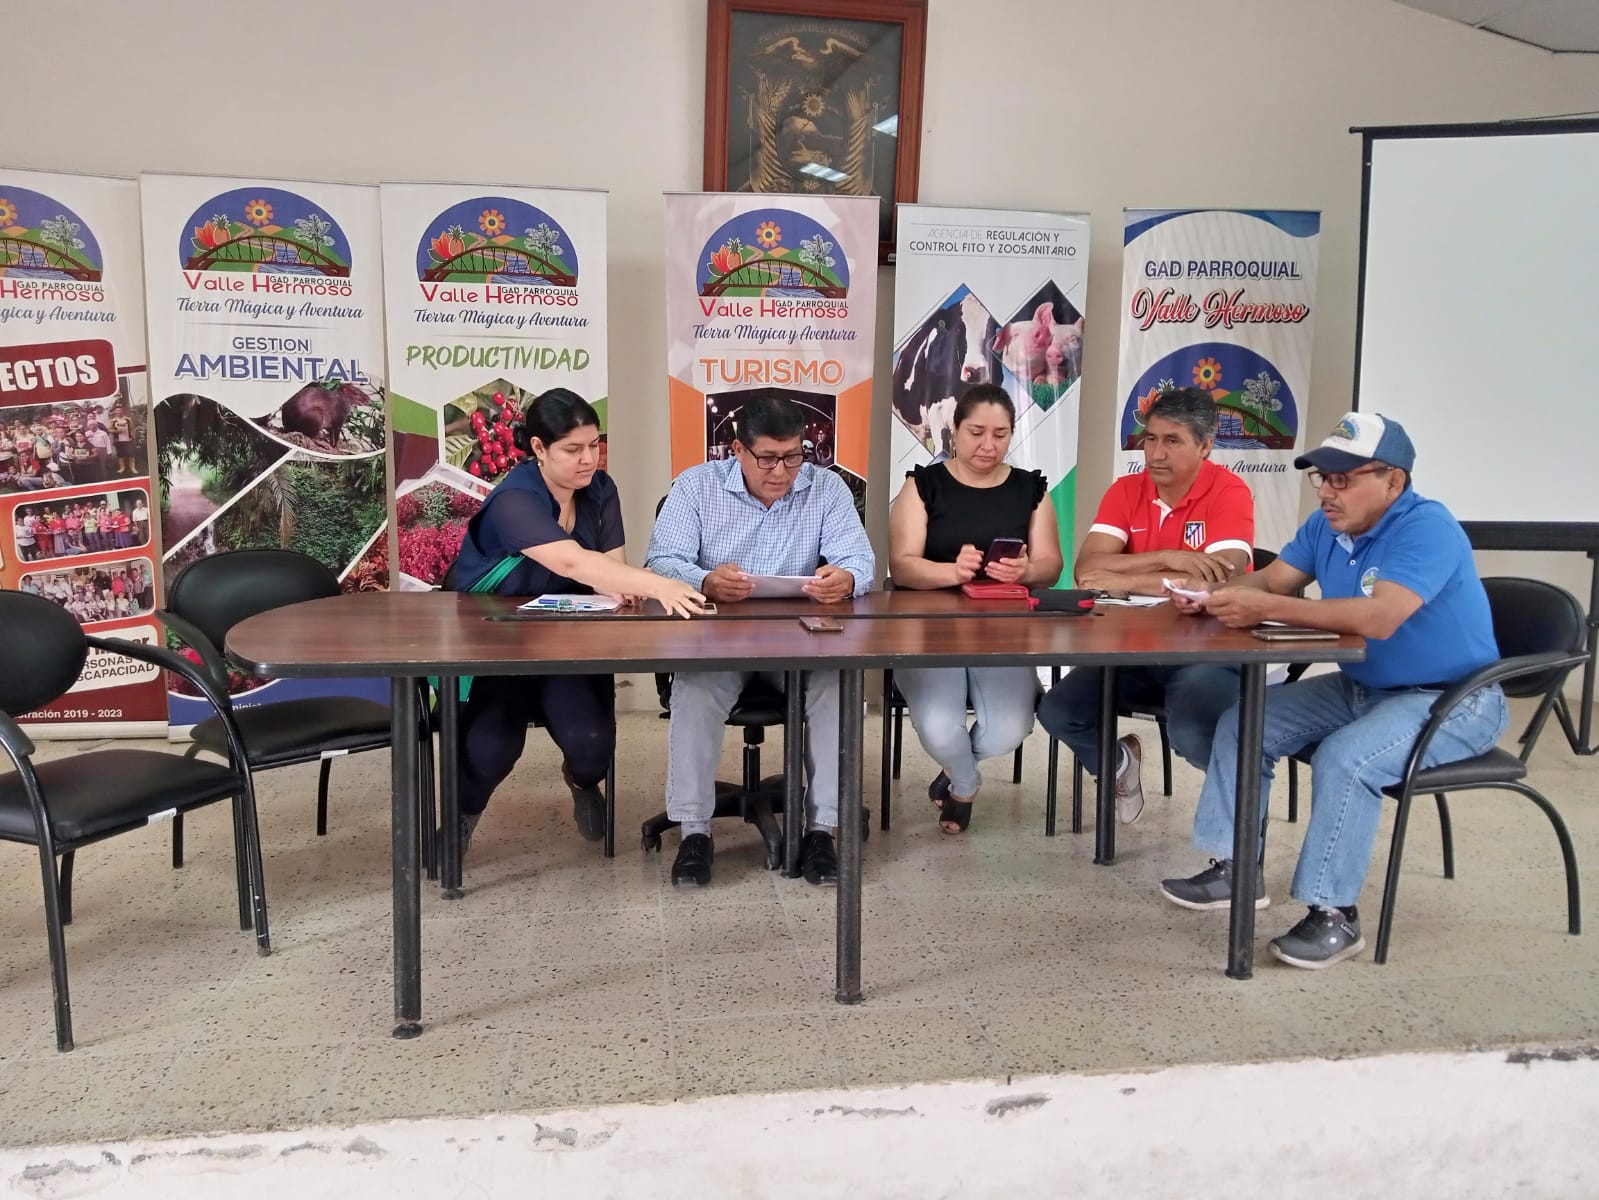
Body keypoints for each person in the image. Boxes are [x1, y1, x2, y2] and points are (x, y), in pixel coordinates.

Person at [1159, 412, 1507, 970]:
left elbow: (1381, 617)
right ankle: (1235, 868)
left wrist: (1267, 607)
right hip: (1363, 687)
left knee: (1346, 759)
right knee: (1245, 722)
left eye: (1343, 479)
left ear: (1393, 481)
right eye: (1322, 477)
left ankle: (1335, 915)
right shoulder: (1327, 525)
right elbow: (1271, 580)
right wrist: (1210, 596)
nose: (1326, 491)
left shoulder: (1426, 528)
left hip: (1455, 700)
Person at [447, 387, 705, 853]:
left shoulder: (600, 490)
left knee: (591, 746)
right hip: (496, 646)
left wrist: (626, 585)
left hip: (570, 643)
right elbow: (572, 562)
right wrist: (661, 585)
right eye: (573, 449)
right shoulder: (514, 500)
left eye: (594, 445)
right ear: (539, 448)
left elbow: (610, 571)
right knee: (489, 751)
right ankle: (463, 814)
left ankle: (582, 782)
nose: (589, 459)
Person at [645, 391, 876, 888]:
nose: (781, 471)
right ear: (738, 450)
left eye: (793, 457)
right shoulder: (696, 486)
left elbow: (860, 562)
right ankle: (694, 832)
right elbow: (660, 562)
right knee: (695, 688)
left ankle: (821, 831)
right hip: (717, 640)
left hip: (798, 642)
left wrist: (847, 579)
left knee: (836, 683)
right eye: (768, 458)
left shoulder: (826, 488)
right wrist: (705, 580)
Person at [1036, 387, 1255, 822]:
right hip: (1132, 650)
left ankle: (1245, 823)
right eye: (1150, 439)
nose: (1155, 453)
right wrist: (1171, 558)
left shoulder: (1230, 491)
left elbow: (1214, 581)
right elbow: (1087, 570)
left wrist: (1123, 578)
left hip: (1205, 652)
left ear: (1205, 446)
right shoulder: (1126, 490)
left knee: (1192, 733)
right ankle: (1120, 764)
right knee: (1059, 711)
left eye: (1172, 441)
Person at [887, 384, 1063, 833]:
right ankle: (964, 785)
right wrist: (953, 571)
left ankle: (953, 771)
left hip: (1001, 631)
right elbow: (901, 566)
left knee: (1010, 728)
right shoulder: (922, 485)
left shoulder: (1031, 489)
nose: (988, 445)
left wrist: (1025, 571)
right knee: (940, 727)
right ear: (955, 430)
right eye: (976, 432)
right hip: (928, 630)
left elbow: (1051, 566)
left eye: (1000, 435)